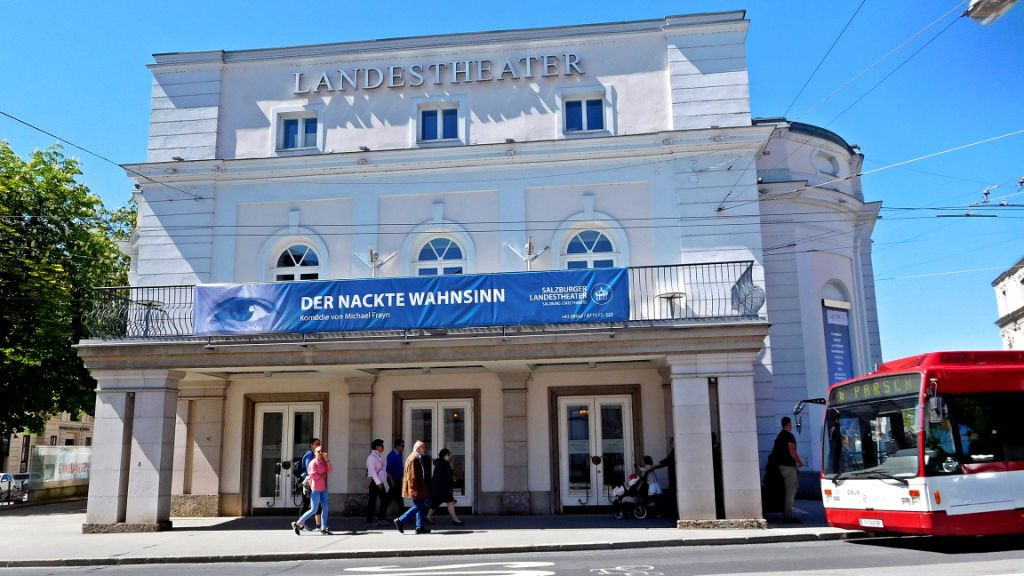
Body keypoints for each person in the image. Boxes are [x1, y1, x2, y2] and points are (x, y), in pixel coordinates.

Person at [292, 445, 333, 535]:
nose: (321, 453)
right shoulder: (313, 463)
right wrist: (321, 475)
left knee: (325, 508)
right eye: (319, 451)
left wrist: (327, 460)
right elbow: (312, 475)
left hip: (323, 489)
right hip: (315, 488)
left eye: (322, 451)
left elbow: (330, 469)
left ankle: (324, 527)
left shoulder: (323, 462)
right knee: (314, 509)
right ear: (315, 453)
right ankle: (297, 523)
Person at [770, 416, 804, 523]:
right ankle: (789, 515)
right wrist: (800, 462)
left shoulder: (779, 436)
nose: (792, 425)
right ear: (789, 424)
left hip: (779, 467)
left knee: (785, 490)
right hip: (788, 467)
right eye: (791, 423)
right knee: (791, 490)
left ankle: (785, 511)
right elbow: (792, 451)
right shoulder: (789, 436)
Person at [394, 440, 431, 534]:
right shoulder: (413, 458)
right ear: (418, 448)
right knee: (419, 506)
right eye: (423, 447)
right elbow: (412, 476)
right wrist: (413, 489)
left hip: (418, 487)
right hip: (416, 488)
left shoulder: (415, 457)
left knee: (420, 506)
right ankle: (400, 520)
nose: (424, 449)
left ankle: (419, 527)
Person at [426, 448, 464, 526]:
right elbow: (439, 478)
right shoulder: (442, 464)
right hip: (441, 488)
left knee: (438, 502)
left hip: (441, 488)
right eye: (448, 455)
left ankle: (428, 517)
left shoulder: (443, 463)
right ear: (444, 456)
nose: (450, 456)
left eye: (449, 454)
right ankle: (455, 519)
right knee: (444, 502)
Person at [297, 437, 321, 531]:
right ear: (311, 445)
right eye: (316, 443)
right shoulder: (309, 455)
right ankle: (301, 525)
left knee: (317, 503)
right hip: (307, 483)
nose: (318, 445)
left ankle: (318, 526)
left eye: (319, 443)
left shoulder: (317, 455)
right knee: (306, 504)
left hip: (315, 482)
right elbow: (309, 469)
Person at [365, 438, 389, 526]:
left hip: (379, 481)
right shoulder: (371, 457)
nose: (383, 447)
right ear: (377, 447)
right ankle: (370, 520)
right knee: (373, 501)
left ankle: (381, 518)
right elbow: (372, 471)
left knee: (383, 500)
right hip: (375, 482)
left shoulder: (378, 456)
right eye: (381, 445)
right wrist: (378, 483)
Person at [656, 437, 676, 518]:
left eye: (671, 442)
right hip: (673, 476)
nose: (670, 444)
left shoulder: (675, 452)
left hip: (675, 477)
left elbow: (668, 461)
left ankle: (672, 512)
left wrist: (657, 464)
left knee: (672, 494)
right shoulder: (674, 452)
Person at [385, 439, 405, 517]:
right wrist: (392, 480)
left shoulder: (398, 454)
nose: (403, 448)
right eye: (402, 446)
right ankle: (381, 514)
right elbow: (388, 469)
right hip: (393, 479)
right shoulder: (392, 455)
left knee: (398, 498)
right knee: (391, 498)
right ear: (397, 446)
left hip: (397, 478)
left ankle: (402, 515)